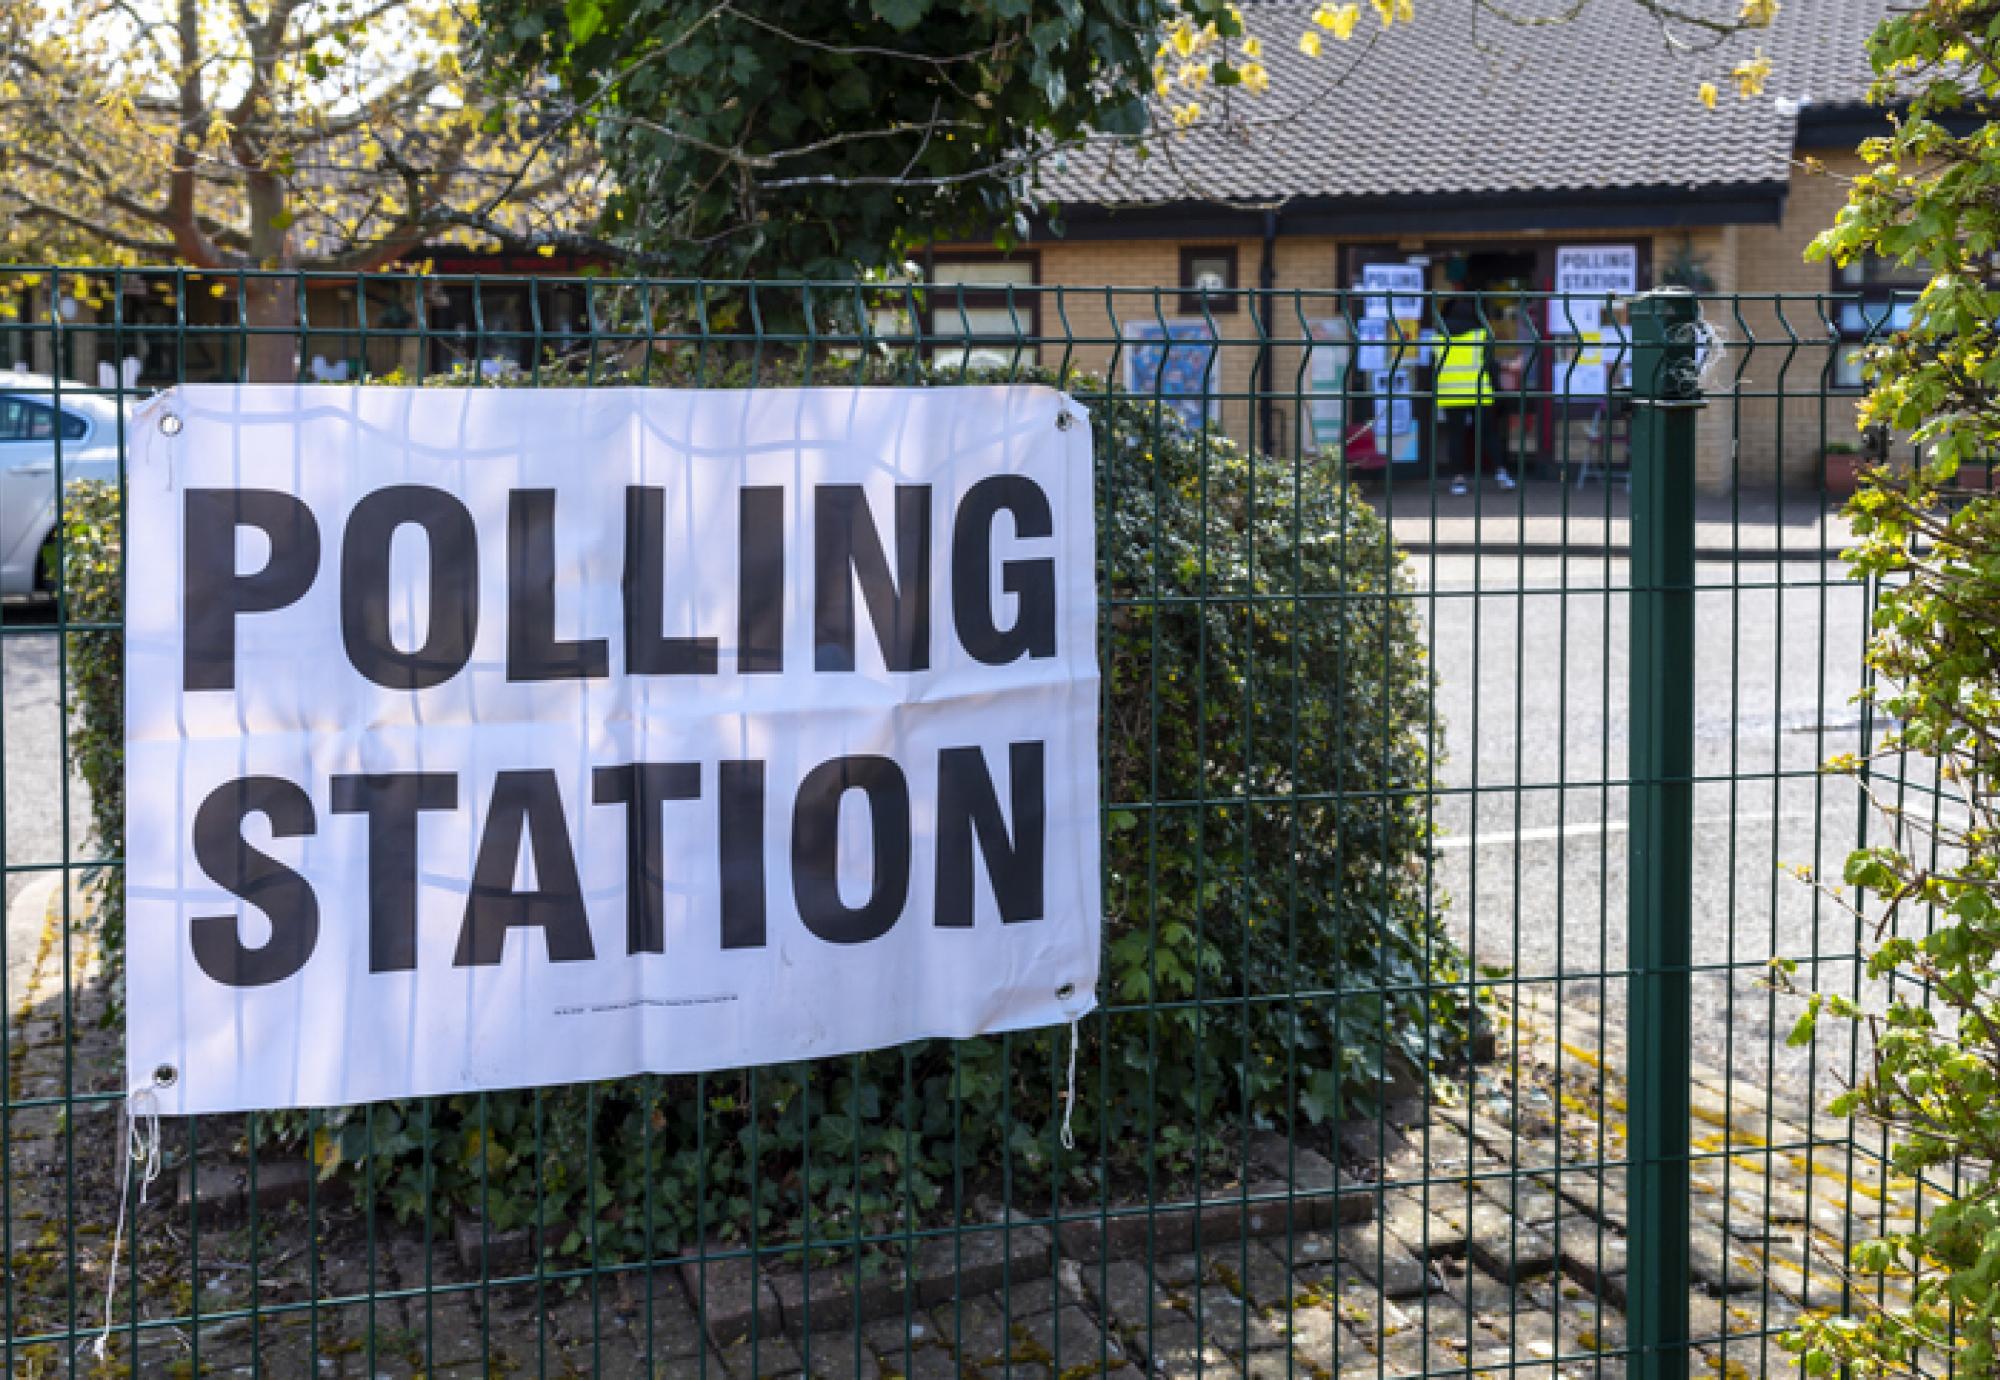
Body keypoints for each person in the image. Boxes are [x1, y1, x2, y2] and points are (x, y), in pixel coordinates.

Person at [1434, 297, 1515, 496]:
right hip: (1479, 391)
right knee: (1489, 434)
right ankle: (1501, 473)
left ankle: (1458, 480)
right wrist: (1499, 391)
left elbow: (1433, 367)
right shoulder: (1481, 335)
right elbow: (1490, 366)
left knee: (1456, 436)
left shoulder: (1438, 337)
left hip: (1450, 392)